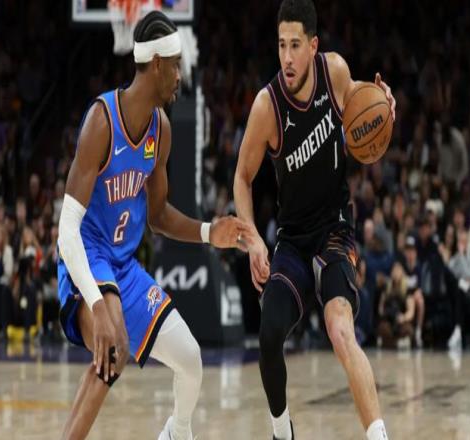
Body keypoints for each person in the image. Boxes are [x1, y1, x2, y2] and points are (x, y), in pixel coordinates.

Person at [57, 11, 252, 440]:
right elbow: (66, 231)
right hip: (88, 257)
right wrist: (96, 304)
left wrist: (209, 232)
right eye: (177, 65)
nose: (181, 76)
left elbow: (159, 216)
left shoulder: (160, 130)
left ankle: (177, 433)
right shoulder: (102, 121)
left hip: (124, 267)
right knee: (114, 349)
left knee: (191, 360)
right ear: (158, 64)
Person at [233, 1, 395, 438]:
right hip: (292, 240)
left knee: (340, 329)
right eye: (281, 45)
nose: (286, 57)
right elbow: (242, 178)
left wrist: (385, 102)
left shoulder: (334, 71)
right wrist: (253, 239)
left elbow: (367, 102)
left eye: (295, 45)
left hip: (335, 229)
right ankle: (281, 431)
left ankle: (378, 435)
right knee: (269, 336)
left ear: (313, 46)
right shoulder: (267, 106)